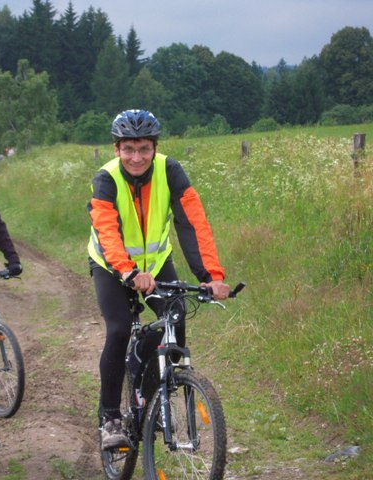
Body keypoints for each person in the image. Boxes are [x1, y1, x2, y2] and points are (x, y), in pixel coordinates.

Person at [87, 110, 231, 449]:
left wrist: (211, 276)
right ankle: (110, 418)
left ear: (155, 148)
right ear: (116, 149)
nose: (136, 158)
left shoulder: (171, 171)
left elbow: (193, 224)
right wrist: (128, 272)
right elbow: (106, 231)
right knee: (119, 329)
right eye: (128, 149)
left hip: (156, 263)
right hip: (112, 266)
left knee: (175, 322)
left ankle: (153, 396)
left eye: (144, 149)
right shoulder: (106, 179)